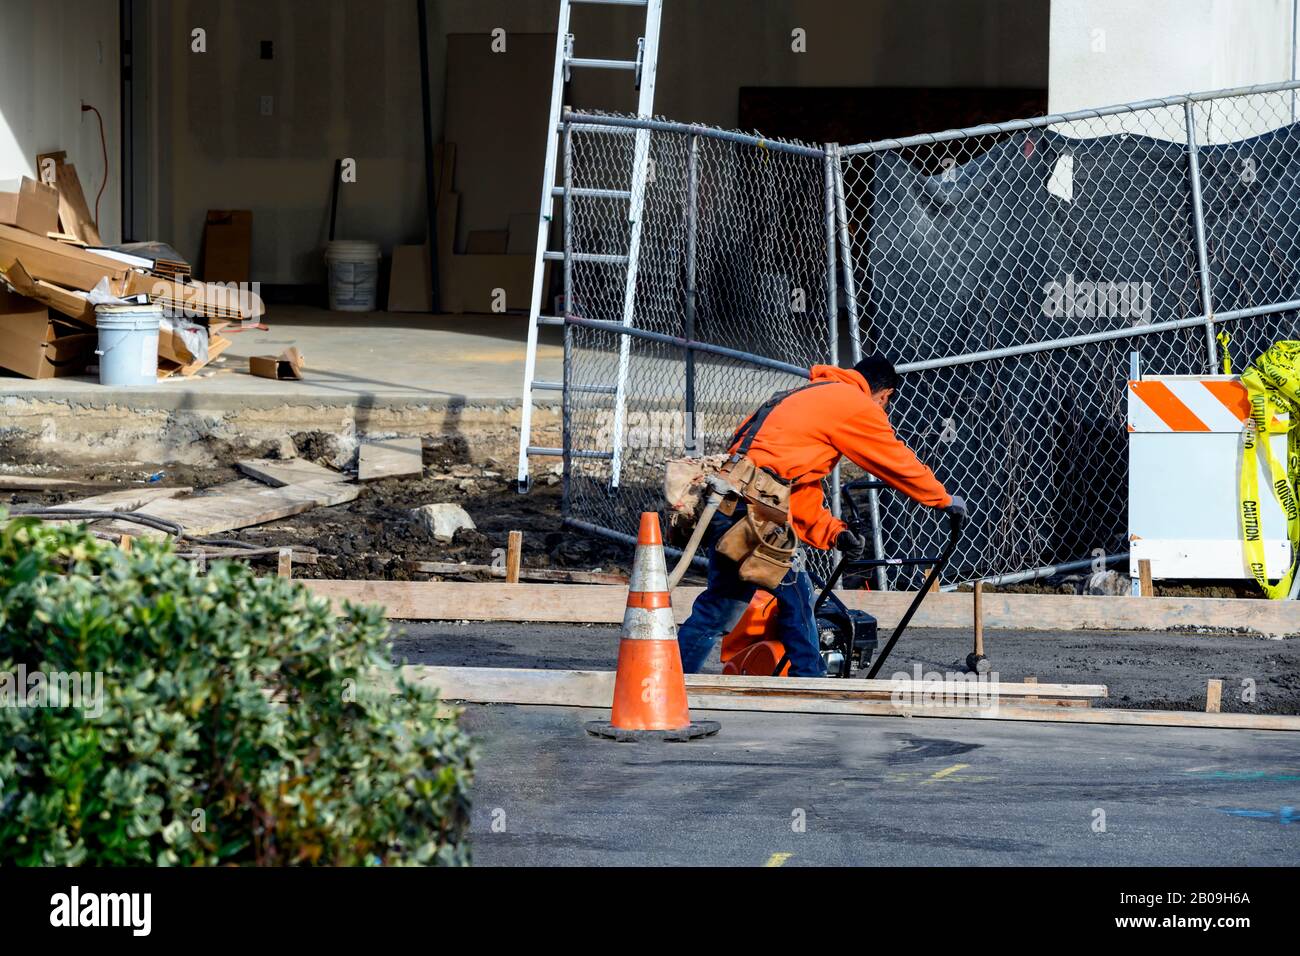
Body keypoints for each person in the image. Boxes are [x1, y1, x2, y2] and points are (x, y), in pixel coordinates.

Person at [676, 354, 966, 676]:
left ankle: (671, 682)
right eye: (884, 404)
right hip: (753, 511)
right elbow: (893, 459)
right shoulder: (852, 403)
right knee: (797, 596)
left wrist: (833, 532)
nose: (882, 411)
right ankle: (811, 684)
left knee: (720, 606)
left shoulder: (808, 396)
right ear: (885, 395)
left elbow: (793, 486)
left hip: (729, 504)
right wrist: (941, 499)